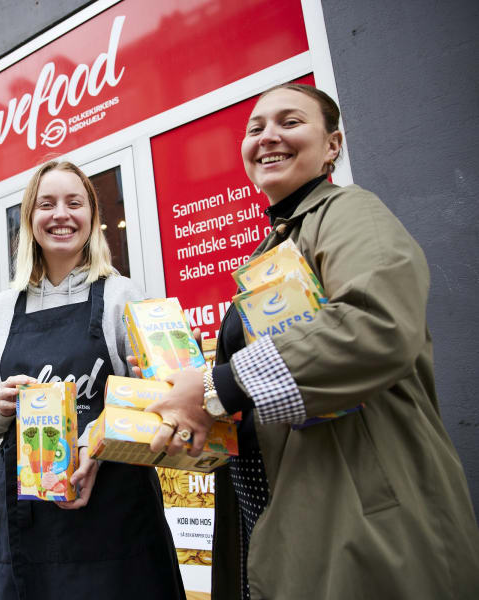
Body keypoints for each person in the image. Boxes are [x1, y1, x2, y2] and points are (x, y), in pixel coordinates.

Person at [140, 84, 479, 599]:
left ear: (332, 145)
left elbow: (376, 325)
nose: (267, 136)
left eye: (290, 122)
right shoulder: (275, 245)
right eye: (256, 128)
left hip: (361, 518)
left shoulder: (351, 212)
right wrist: (188, 401)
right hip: (284, 511)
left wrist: (215, 388)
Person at [0, 160, 184, 598]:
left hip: (114, 512)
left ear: (92, 216)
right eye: (46, 204)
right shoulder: (0, 311)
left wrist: (93, 448)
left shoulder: (122, 295)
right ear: (30, 218)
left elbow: (155, 398)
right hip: (27, 517)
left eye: (74, 203)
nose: (61, 215)